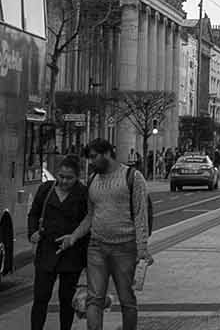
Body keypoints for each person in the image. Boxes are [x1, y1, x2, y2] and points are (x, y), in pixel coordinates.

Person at [56, 139, 151, 330]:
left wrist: (142, 250)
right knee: (94, 299)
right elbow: (90, 216)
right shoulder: (93, 180)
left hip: (125, 247)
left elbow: (141, 215)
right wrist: (73, 237)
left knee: (126, 299)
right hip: (97, 247)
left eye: (93, 157)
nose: (90, 162)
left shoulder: (132, 176)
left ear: (107, 153)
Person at [28, 155, 89, 330]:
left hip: (72, 253)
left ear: (77, 177)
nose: (64, 181)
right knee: (41, 297)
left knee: (66, 299)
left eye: (69, 178)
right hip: (47, 251)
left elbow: (88, 222)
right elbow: (34, 213)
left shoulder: (83, 194)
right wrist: (33, 232)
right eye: (61, 176)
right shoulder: (46, 190)